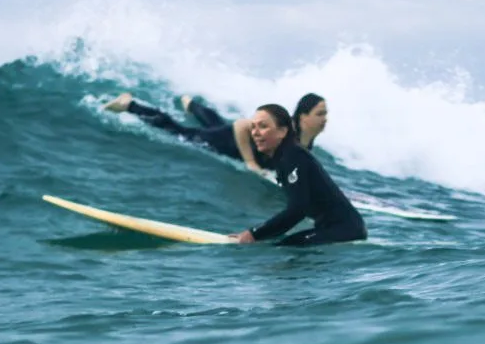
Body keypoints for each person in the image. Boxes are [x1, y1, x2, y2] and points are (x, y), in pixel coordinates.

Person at [230, 104, 366, 246]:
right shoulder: (285, 156)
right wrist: (258, 234)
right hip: (336, 228)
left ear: (282, 131)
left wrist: (254, 233)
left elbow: (298, 210)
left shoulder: (293, 156)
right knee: (281, 243)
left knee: (283, 246)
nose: (255, 133)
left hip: (345, 230)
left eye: (263, 126)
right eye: (253, 127)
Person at [102, 91, 331, 173]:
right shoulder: (286, 131)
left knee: (215, 123)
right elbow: (242, 125)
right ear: (303, 116)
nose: (325, 119)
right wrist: (251, 163)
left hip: (232, 139)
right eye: (320, 114)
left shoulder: (306, 141)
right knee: (182, 133)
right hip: (230, 142)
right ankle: (129, 104)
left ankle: (190, 104)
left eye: (325, 113)